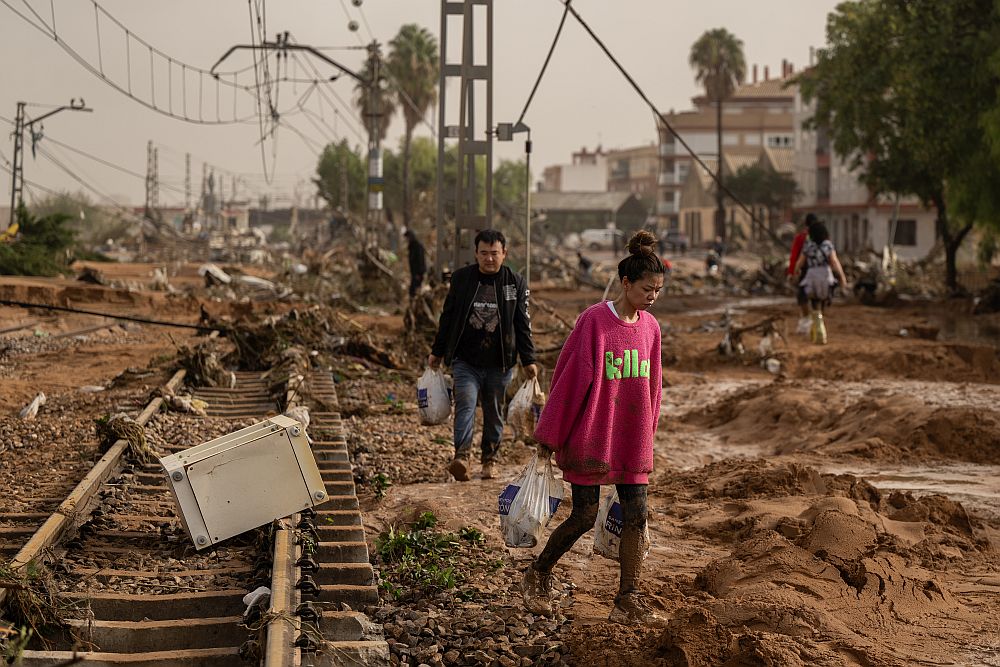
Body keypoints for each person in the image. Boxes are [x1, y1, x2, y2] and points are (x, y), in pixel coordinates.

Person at [521, 230, 666, 627]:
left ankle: (628, 597)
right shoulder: (594, 322)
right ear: (625, 284)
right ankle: (539, 572)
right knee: (584, 516)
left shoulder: (651, 328)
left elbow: (654, 384)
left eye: (657, 290)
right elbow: (568, 381)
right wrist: (548, 438)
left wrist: (648, 431)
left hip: (631, 439)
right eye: (646, 289)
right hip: (592, 436)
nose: (652, 296)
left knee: (637, 516)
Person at [428, 229, 537, 481]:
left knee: (494, 411)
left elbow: (523, 323)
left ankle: (489, 459)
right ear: (476, 254)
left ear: (504, 254)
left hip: (500, 363)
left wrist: (528, 359)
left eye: (494, 253)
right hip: (466, 360)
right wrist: (437, 351)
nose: (489, 259)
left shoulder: (515, 283)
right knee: (465, 403)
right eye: (484, 253)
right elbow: (447, 318)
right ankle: (462, 457)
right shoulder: (462, 279)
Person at [794, 222, 848, 345]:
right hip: (825, 275)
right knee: (822, 302)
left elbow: (800, 262)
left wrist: (795, 273)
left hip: (811, 276)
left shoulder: (808, 246)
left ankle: (814, 328)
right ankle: (820, 328)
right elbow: (834, 262)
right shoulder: (828, 246)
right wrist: (842, 278)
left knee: (812, 301)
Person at [788, 213, 818, 335]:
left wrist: (792, 272)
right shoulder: (823, 239)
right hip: (821, 272)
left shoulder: (801, 238)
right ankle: (815, 323)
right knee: (816, 299)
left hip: (806, 272)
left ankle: (807, 322)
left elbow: (795, 257)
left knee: (802, 297)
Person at [404, 228, 427, 299]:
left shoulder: (417, 246)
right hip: (414, 273)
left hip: (418, 273)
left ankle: (416, 307)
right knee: (413, 291)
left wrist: (418, 273)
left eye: (407, 238)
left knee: (415, 291)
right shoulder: (412, 246)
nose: (407, 240)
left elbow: (420, 260)